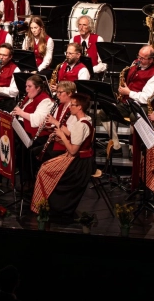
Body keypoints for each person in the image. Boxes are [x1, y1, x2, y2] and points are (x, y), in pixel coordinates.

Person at [32, 93, 95, 221]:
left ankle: (50, 207)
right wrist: (60, 139)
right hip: (80, 159)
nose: (70, 107)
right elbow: (76, 143)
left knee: (44, 171)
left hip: (78, 164)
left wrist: (61, 134)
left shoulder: (80, 125)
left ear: (80, 108)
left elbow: (72, 150)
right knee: (45, 166)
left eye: (73, 105)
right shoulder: (87, 119)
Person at [11, 75, 54, 185]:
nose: (27, 89)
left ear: (38, 87)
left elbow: (37, 120)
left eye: (30, 86)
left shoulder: (46, 101)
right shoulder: (29, 98)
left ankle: (27, 181)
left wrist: (21, 113)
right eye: (26, 86)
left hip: (36, 135)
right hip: (23, 129)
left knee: (21, 148)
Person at [37, 81, 77, 161]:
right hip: (56, 141)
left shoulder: (73, 109)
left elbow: (70, 133)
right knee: (32, 152)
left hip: (65, 145)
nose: (57, 95)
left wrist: (54, 121)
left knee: (39, 156)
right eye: (57, 92)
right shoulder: (60, 106)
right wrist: (46, 127)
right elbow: (54, 126)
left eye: (60, 92)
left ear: (69, 93)